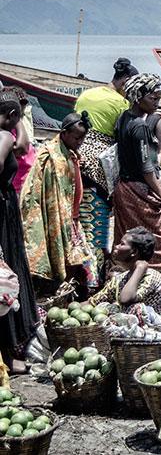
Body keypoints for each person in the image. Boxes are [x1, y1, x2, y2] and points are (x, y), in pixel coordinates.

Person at [75, 57, 139, 281]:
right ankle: (93, 278)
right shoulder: (121, 104)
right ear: (125, 83)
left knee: (77, 222)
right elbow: (122, 138)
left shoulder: (87, 94)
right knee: (97, 223)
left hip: (75, 159)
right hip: (99, 167)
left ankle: (77, 274)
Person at [112, 74, 161, 287]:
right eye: (153, 98)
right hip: (138, 190)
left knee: (127, 238)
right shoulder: (139, 126)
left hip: (124, 188)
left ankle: (124, 278)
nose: (156, 103)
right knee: (159, 238)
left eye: (158, 98)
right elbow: (147, 168)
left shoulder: (123, 118)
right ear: (138, 97)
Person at [21, 111, 97, 291]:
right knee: (60, 252)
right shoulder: (49, 155)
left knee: (77, 254)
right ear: (64, 133)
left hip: (71, 215)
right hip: (55, 213)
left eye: (82, 139)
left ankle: (72, 288)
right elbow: (36, 189)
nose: (80, 142)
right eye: (77, 138)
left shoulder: (70, 153)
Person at [0, 99, 39, 373]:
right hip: (2, 211)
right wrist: (21, 120)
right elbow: (22, 146)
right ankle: (11, 353)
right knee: (7, 275)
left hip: (5, 209)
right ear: (12, 115)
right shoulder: (3, 136)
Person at [90, 226, 161, 321]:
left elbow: (125, 299)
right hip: (145, 329)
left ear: (134, 252)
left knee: (135, 309)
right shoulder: (121, 278)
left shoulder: (151, 277)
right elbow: (93, 302)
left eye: (122, 244)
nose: (116, 246)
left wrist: (140, 268)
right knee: (105, 307)